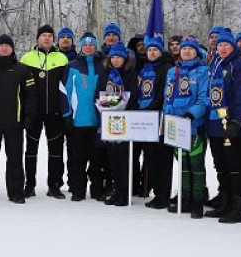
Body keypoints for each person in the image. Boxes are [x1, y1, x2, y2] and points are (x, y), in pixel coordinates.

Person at [0, 34, 36, 203]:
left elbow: (31, 96)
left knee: (15, 159)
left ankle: (16, 192)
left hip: (15, 123)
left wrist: (29, 116)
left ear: (12, 48)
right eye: (1, 45)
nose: (4, 48)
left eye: (7, 45)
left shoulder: (23, 69)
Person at [158, 37, 211, 217]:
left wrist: (192, 114)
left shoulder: (203, 71)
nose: (186, 51)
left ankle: (197, 202)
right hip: (175, 124)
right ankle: (186, 199)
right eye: (184, 49)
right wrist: (166, 114)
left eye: (190, 49)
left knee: (195, 164)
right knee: (182, 164)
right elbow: (168, 95)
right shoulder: (173, 71)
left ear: (196, 52)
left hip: (193, 123)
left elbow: (205, 98)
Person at [203, 28, 241, 223]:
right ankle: (225, 200)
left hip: (229, 122)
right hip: (214, 122)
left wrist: (237, 119)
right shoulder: (215, 63)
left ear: (233, 46)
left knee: (234, 166)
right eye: (220, 44)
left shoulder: (240, 65)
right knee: (220, 165)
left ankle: (237, 205)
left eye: (226, 45)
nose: (222, 48)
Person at [19, 24, 69, 198]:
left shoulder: (62, 58)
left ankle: (54, 185)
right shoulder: (27, 58)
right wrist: (24, 111)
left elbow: (66, 87)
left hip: (55, 112)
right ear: (37, 38)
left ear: (53, 39)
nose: (47, 38)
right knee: (31, 150)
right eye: (43, 35)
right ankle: (29, 185)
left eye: (50, 35)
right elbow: (21, 88)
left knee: (55, 151)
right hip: (33, 112)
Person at [61, 33, 107, 201]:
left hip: (98, 120)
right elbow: (63, 91)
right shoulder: (72, 66)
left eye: (92, 45)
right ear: (81, 47)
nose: (88, 47)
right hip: (78, 120)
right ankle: (78, 190)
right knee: (78, 158)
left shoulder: (104, 65)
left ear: (96, 47)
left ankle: (97, 190)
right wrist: (67, 114)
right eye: (85, 45)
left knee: (97, 158)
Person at [96, 41, 138, 206]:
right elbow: (98, 95)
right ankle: (117, 190)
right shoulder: (104, 74)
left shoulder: (130, 74)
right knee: (112, 159)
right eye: (112, 57)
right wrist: (108, 103)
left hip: (126, 120)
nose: (115, 60)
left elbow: (132, 96)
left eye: (119, 57)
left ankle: (125, 193)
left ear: (125, 59)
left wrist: (111, 102)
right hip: (108, 121)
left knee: (124, 159)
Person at [135, 37, 170, 207]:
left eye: (155, 50)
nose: (152, 53)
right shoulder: (143, 69)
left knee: (161, 157)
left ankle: (164, 194)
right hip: (144, 119)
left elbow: (163, 93)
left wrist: (151, 109)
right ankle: (157, 192)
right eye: (150, 50)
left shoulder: (166, 68)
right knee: (150, 158)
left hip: (159, 117)